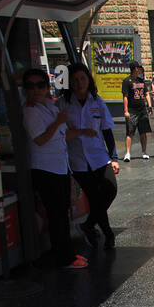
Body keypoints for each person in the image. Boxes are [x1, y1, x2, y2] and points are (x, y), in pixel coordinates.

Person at [21, 68, 87, 269]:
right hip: (45, 168)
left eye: (40, 85)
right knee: (56, 213)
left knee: (61, 211)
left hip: (59, 166)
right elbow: (40, 139)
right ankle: (64, 258)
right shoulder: (30, 111)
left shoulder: (49, 106)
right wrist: (58, 121)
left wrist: (84, 131)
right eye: (31, 86)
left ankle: (66, 253)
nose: (37, 90)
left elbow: (62, 134)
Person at [65, 62, 119, 248]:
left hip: (99, 157)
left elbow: (107, 131)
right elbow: (60, 133)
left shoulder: (97, 102)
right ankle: (108, 234)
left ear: (88, 79)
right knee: (95, 198)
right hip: (78, 160)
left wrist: (114, 158)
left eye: (82, 78)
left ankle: (88, 225)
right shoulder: (63, 105)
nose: (79, 83)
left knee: (110, 190)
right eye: (74, 80)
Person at [121, 61, 152, 161]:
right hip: (132, 110)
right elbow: (125, 96)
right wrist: (126, 110)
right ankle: (127, 153)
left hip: (142, 109)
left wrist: (149, 106)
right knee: (130, 132)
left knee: (143, 132)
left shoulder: (141, 80)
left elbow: (146, 93)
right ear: (135, 69)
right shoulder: (127, 81)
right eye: (138, 68)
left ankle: (144, 151)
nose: (140, 70)